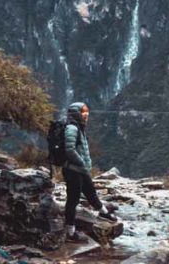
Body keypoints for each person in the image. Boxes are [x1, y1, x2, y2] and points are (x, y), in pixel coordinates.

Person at [63, 102, 117, 242]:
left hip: (81, 170)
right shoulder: (72, 128)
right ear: (76, 114)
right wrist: (81, 162)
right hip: (73, 170)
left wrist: (85, 166)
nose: (86, 116)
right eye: (83, 113)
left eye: (87, 113)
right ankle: (70, 232)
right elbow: (69, 150)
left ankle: (104, 213)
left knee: (91, 193)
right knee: (72, 200)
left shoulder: (79, 128)